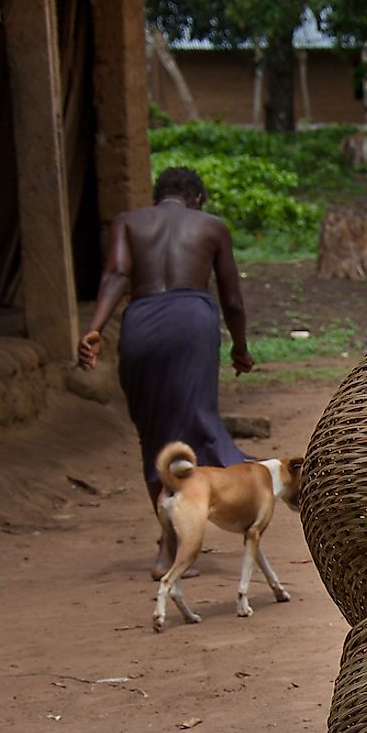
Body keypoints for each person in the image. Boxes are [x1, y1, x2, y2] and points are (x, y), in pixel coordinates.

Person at [77, 166, 255, 577]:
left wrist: (94, 329)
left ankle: (169, 538)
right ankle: (175, 542)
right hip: (192, 323)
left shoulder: (128, 222)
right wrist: (240, 348)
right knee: (189, 428)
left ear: (160, 196)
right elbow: (232, 299)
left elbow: (117, 274)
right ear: (196, 200)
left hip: (141, 324)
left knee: (155, 435)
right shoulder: (211, 227)